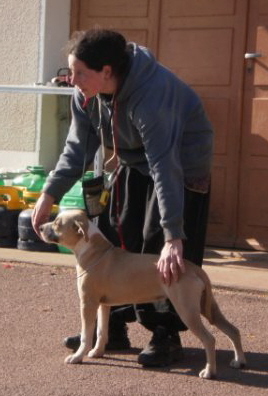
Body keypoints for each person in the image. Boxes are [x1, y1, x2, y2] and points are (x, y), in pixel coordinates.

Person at [32, 28, 213, 367]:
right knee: (117, 235)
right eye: (71, 71)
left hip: (181, 163)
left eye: (79, 73)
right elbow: (77, 149)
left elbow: (165, 165)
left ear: (107, 72)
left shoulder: (151, 93)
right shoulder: (85, 93)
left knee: (157, 243)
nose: (73, 80)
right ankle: (112, 326)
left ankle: (165, 334)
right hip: (132, 159)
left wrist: (174, 234)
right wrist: (49, 194)